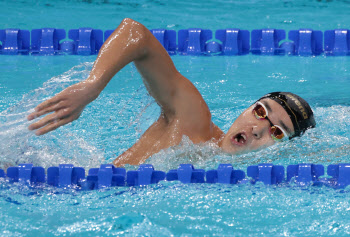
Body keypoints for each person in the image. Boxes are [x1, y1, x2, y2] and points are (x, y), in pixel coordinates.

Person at [27, 18, 316, 167]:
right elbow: (136, 33)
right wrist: (93, 86)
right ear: (246, 108)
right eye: (260, 112)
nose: (256, 130)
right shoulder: (194, 123)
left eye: (276, 133)